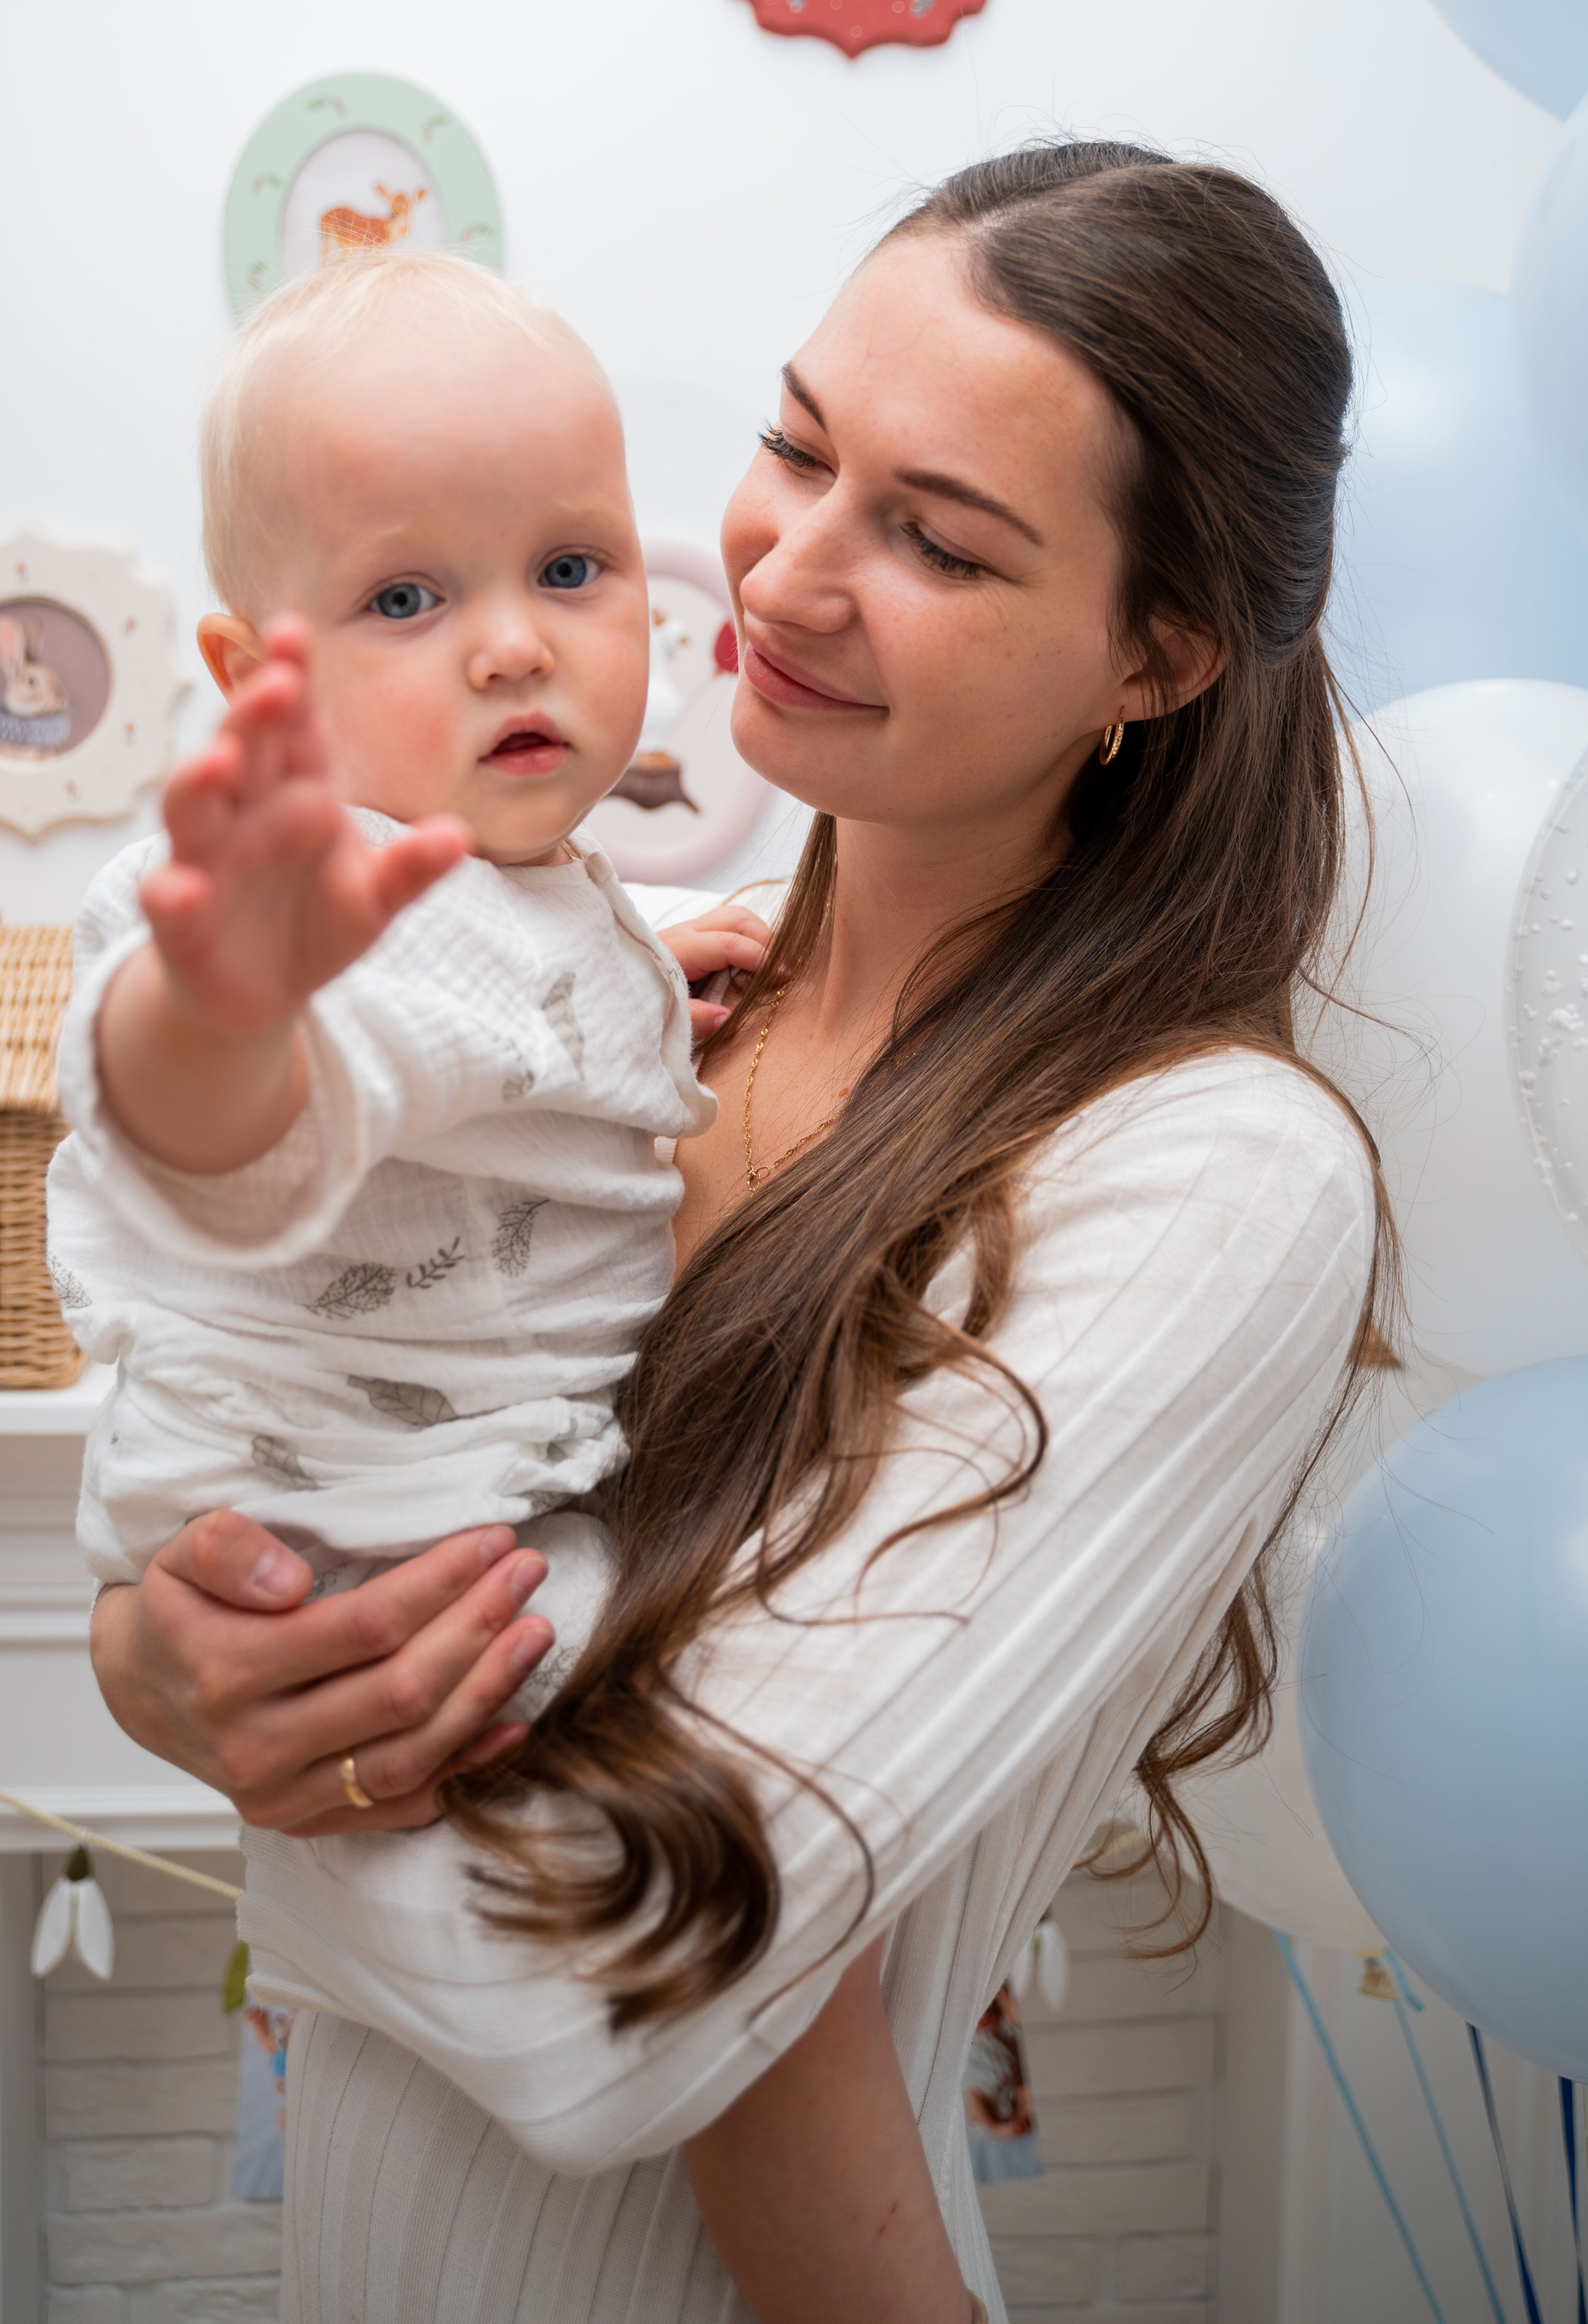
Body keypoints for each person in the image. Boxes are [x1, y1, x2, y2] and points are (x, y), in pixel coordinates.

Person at [87, 143, 1388, 2324]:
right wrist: (155, 1659)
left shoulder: (1205, 1172)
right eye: (798, 445)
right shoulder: (609, 1011)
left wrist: (296, 1796)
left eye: (938, 539)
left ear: (1155, 656)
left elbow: (628, 1987)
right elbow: (232, 1368)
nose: (785, 569)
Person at [51, 245, 979, 2320]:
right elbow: (244, 1130)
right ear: (254, 673)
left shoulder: (546, 897)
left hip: (426, 1504)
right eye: (406, 598)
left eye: (570, 567)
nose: (511, 644)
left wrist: (659, 972)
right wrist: (223, 1007)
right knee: (739, 1873)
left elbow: (540, 1000)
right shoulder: (334, 914)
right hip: (383, 1532)